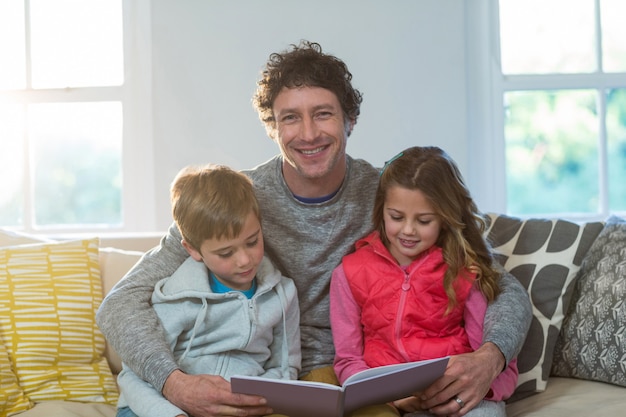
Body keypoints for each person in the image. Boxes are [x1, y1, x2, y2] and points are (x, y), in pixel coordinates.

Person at [96, 40, 532, 417]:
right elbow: (120, 304)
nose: (308, 133)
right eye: (290, 118)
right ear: (272, 128)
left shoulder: (394, 197)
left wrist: (490, 357)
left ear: (349, 121)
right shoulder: (234, 202)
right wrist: (174, 383)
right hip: (269, 376)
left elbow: (500, 285)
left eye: (323, 114)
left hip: (371, 373)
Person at [330, 146, 519, 417]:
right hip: (390, 400)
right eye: (396, 217)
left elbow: (489, 361)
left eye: (424, 220)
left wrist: (473, 392)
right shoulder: (350, 272)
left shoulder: (464, 270)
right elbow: (348, 361)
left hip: (458, 398)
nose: (408, 230)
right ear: (381, 209)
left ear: (445, 217)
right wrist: (394, 400)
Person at [115, 165, 300, 417]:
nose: (245, 260)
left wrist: (256, 400)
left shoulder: (283, 294)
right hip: (156, 407)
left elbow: (285, 366)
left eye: (253, 241)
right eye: (226, 253)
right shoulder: (177, 297)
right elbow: (133, 374)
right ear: (192, 250)